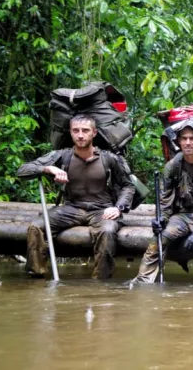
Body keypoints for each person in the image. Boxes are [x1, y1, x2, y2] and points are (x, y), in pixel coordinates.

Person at [17, 114, 135, 279]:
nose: (80, 135)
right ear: (71, 133)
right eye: (76, 131)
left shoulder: (110, 158)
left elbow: (128, 186)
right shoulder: (62, 156)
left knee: (107, 231)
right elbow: (23, 170)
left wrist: (118, 207)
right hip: (72, 208)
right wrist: (48, 169)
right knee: (35, 227)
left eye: (85, 131)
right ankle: (36, 276)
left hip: (102, 210)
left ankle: (101, 282)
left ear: (94, 133)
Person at [134, 120, 193, 284]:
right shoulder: (172, 166)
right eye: (184, 139)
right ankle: (143, 282)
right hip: (183, 216)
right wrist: (161, 219)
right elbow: (165, 202)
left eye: (192, 138)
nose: (188, 142)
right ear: (179, 142)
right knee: (159, 240)